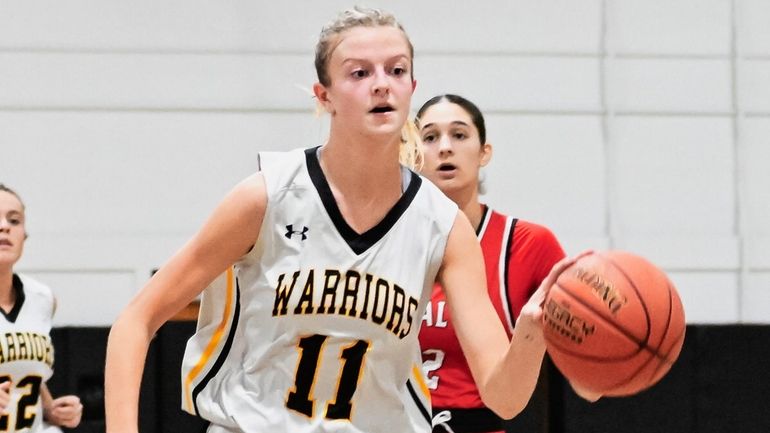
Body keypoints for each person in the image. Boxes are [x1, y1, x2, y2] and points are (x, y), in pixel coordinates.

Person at [104, 7, 582, 433]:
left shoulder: (442, 224)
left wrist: (531, 331)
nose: (381, 83)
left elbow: (504, 397)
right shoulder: (268, 195)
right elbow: (135, 321)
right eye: (359, 73)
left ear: (412, 88)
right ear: (324, 95)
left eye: (397, 70)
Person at [415, 95, 566, 433]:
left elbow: (584, 369)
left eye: (459, 134)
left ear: (484, 153)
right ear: (412, 154)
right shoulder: (386, 240)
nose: (444, 148)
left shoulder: (529, 243)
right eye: (429, 137)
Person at [0, 184, 83, 432]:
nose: (5, 226)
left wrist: (51, 410)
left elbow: (24, 370)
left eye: (14, 220)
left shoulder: (42, 298)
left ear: (24, 234)